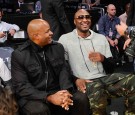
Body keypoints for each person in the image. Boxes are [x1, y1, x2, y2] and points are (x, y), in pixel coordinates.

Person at [59, 9, 135, 115]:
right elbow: (62, 68)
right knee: (96, 89)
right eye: (80, 17)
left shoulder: (101, 38)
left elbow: (111, 68)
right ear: (74, 21)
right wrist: (75, 79)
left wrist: (103, 59)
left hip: (104, 79)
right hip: (85, 81)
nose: (85, 20)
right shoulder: (65, 39)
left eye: (87, 17)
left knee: (132, 80)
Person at [11, 19, 90, 115]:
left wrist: (65, 93)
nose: (51, 33)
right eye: (47, 31)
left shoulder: (57, 47)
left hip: (58, 91)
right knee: (39, 110)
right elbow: (22, 86)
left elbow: (64, 72)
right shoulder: (20, 54)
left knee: (80, 98)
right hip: (35, 96)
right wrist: (49, 97)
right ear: (36, 36)